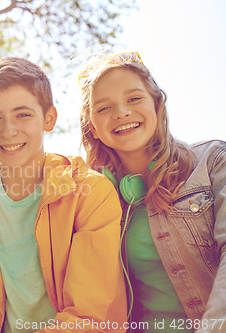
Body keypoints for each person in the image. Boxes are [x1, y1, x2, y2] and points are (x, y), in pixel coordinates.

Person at [0, 57, 127, 333]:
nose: (8, 131)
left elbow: (87, 315)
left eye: (23, 114)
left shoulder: (90, 193)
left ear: (48, 118)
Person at [79, 52, 226, 332]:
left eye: (134, 99)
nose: (121, 112)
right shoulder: (93, 198)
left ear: (157, 105)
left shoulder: (213, 160)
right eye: (103, 108)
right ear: (93, 128)